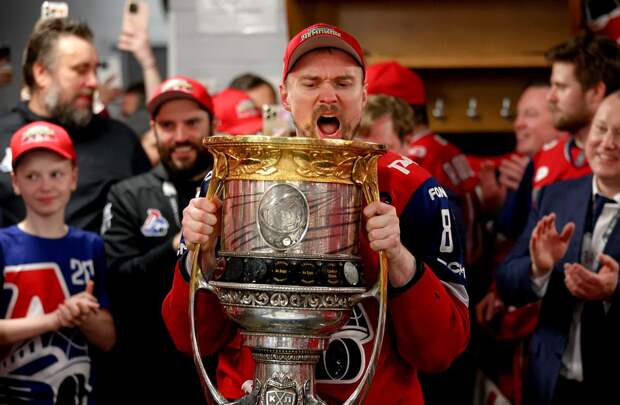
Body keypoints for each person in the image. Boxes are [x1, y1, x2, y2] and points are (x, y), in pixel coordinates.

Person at [162, 23, 469, 404]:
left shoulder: (415, 190)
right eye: (311, 83)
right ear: (285, 95)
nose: (328, 96)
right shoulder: (230, 180)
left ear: (364, 93)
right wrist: (200, 258)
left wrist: (399, 259)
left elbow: (442, 351)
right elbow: (189, 338)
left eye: (343, 83)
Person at [496, 90, 620, 405]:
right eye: (601, 129)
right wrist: (538, 268)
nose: (607, 143)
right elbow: (507, 282)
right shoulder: (555, 196)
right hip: (548, 384)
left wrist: (614, 291)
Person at [101, 76, 211, 404]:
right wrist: (178, 245)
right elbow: (118, 279)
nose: (180, 136)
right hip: (145, 367)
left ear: (213, 124)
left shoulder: (233, 192)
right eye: (167, 125)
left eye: (192, 123)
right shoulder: (127, 195)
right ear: (153, 129)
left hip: (214, 365)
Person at [0, 121, 115, 403]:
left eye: (56, 174)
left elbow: (108, 339)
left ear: (73, 177)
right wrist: (55, 319)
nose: (46, 186)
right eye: (32, 176)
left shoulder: (90, 245)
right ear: (15, 182)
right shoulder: (3, 244)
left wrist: (85, 315)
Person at [0, 18, 151, 232]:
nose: (93, 82)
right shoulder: (3, 135)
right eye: (81, 70)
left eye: (95, 70)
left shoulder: (121, 140)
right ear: (41, 73)